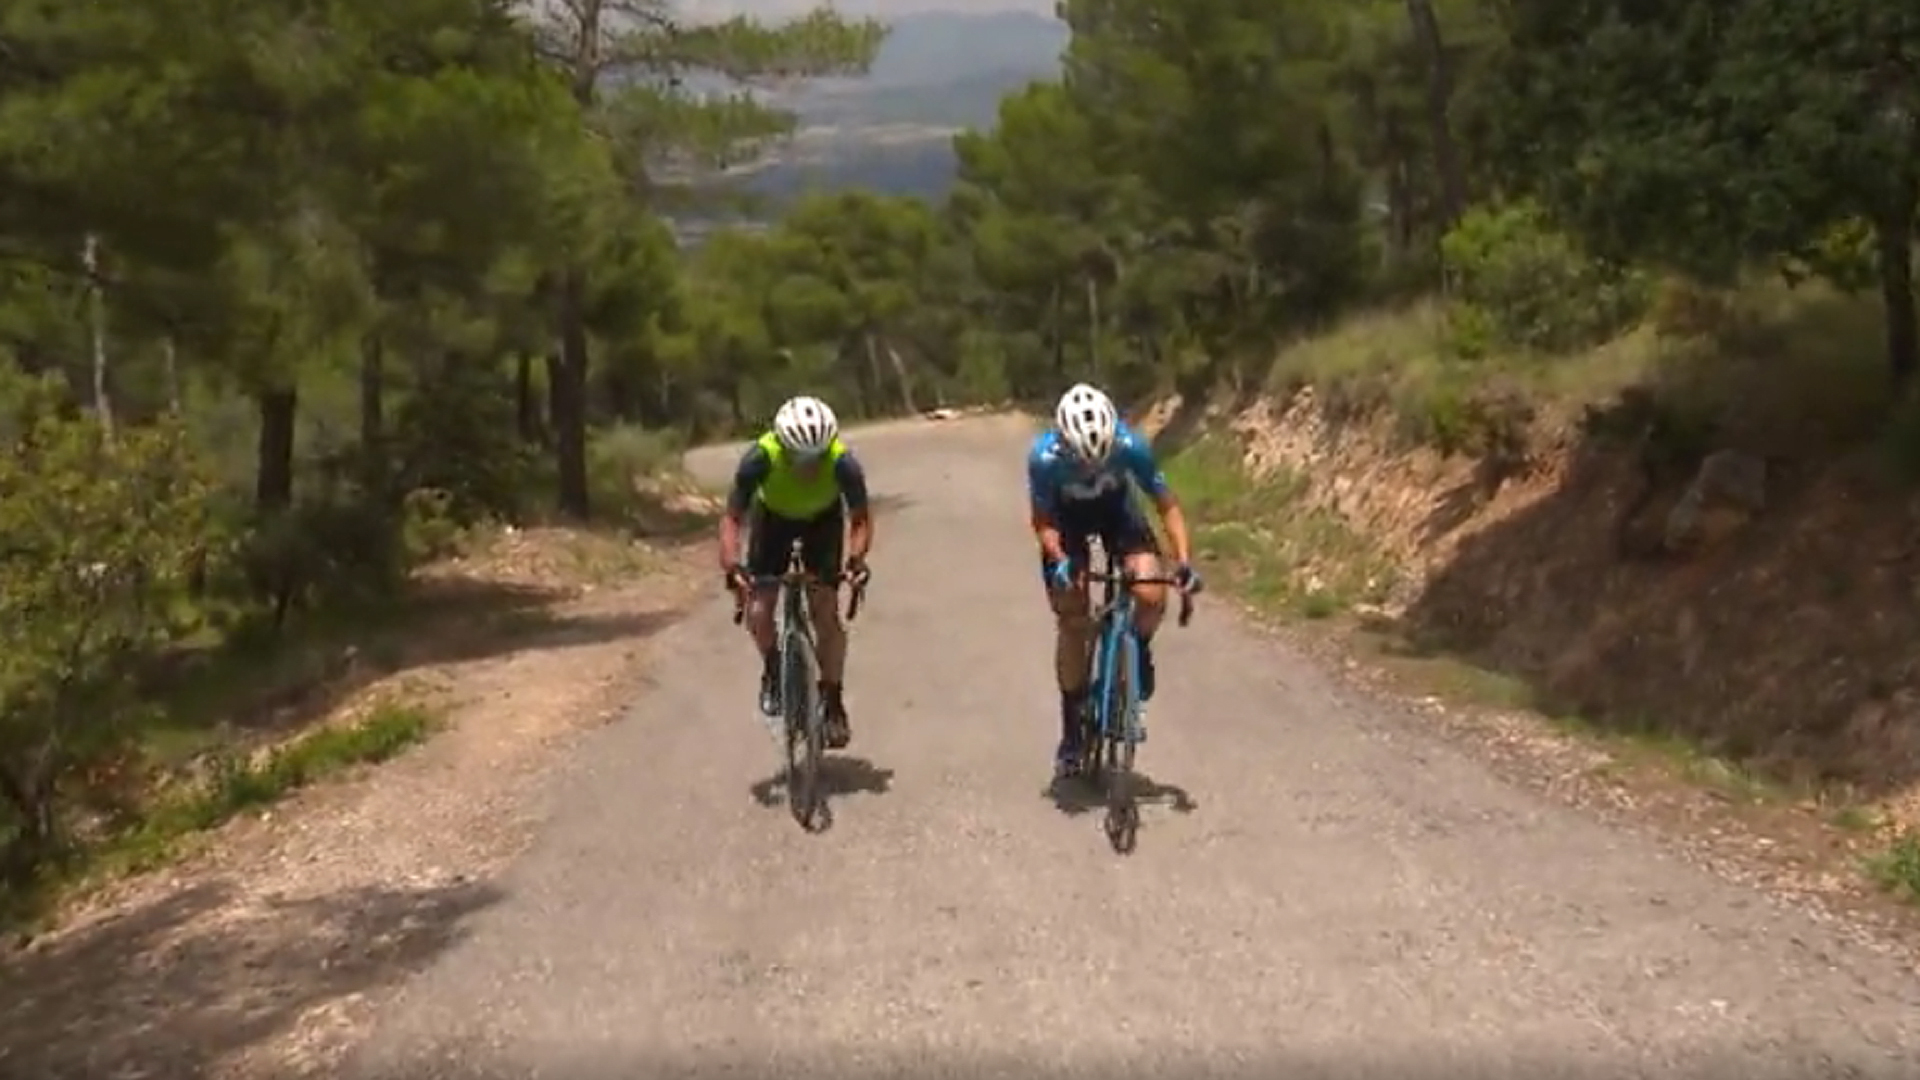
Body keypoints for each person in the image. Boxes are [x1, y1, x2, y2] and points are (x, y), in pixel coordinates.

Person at [1027, 382, 1201, 778]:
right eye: (1082, 460)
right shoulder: (1043, 458)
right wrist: (1061, 560)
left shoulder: (1131, 445)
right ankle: (1072, 729)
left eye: (1100, 458)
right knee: (1072, 616)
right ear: (1064, 444)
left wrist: (1183, 561)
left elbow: (1166, 505)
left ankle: (1136, 648)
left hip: (1118, 514)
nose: (1091, 468)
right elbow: (1043, 521)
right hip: (1066, 524)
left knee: (1151, 593)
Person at [718, 395, 873, 748]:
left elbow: (860, 518)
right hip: (772, 521)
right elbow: (732, 518)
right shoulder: (760, 458)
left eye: (817, 457)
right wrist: (732, 564)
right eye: (800, 458)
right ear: (784, 447)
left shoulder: (843, 463)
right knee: (758, 610)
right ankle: (774, 669)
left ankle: (832, 699)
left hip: (822, 521)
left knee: (825, 611)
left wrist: (856, 560)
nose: (809, 466)